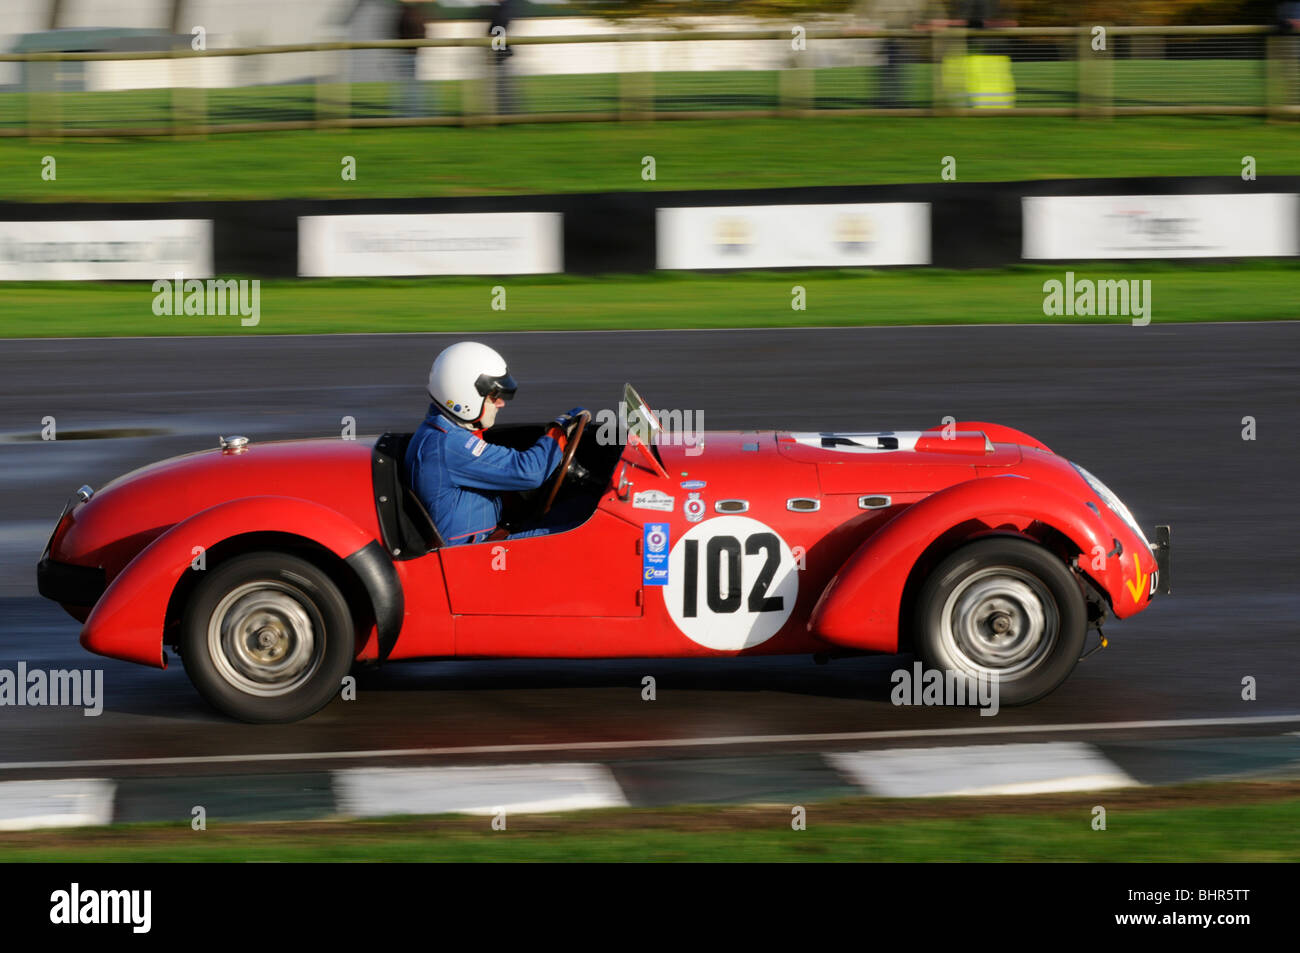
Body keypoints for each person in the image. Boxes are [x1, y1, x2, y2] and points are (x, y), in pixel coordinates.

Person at [405, 342, 586, 545]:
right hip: (471, 556)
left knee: (580, 506)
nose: (501, 403)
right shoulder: (447, 444)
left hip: (487, 538)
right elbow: (530, 472)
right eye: (494, 396)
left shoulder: (441, 432)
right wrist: (559, 430)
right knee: (587, 535)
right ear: (463, 395)